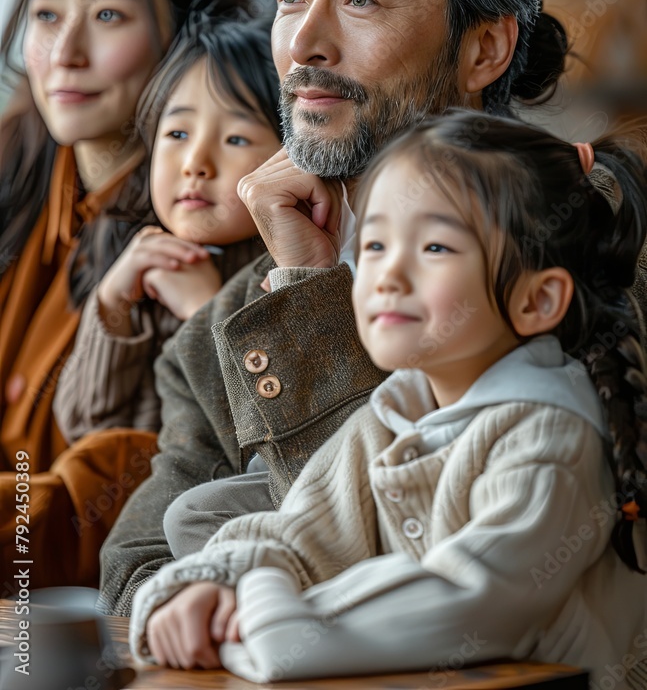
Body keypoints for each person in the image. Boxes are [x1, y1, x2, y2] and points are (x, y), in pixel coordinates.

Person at [100, 0, 647, 614]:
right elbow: (133, 586)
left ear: (485, 47)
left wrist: (312, 306)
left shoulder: (600, 247)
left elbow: (459, 569)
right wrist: (299, 282)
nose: (304, 46)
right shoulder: (225, 328)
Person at [130, 110, 647, 686]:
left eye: (434, 247)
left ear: (537, 299)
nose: (387, 275)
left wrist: (267, 616)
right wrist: (204, 586)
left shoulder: (550, 433)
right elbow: (302, 534)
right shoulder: (396, 410)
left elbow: (467, 601)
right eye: (374, 243)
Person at [0, 0, 249, 589]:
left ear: (191, 37)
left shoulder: (207, 235)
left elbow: (119, 502)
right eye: (46, 15)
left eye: (108, 15)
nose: (64, 53)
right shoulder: (11, 168)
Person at [54, 14, 282, 458]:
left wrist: (205, 314)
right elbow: (84, 426)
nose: (194, 162)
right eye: (177, 133)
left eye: (236, 139)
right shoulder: (147, 261)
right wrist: (113, 306)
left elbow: (264, 444)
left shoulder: (284, 278)